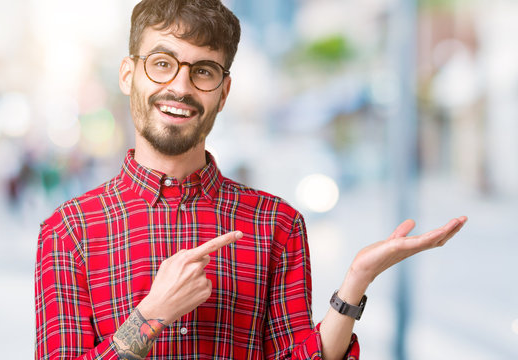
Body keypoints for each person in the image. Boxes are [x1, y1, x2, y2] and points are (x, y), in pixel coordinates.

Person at [34, 0, 467, 359]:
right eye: (162, 63)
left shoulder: (276, 224)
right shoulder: (68, 231)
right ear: (129, 75)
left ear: (223, 93)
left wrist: (356, 281)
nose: (181, 86)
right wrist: (152, 315)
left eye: (203, 71)